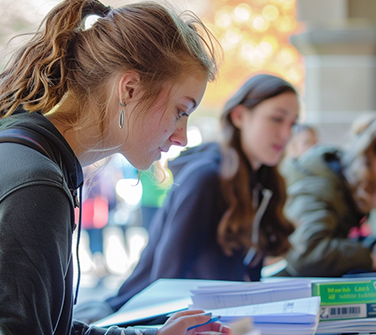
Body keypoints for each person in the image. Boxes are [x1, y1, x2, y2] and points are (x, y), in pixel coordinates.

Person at [0, 0, 231, 335]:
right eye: (181, 109)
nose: (182, 136)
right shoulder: (33, 185)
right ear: (129, 88)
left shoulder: (27, 160)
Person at [104, 74, 299, 313]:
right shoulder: (205, 178)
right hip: (151, 324)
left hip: (226, 324)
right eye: (277, 119)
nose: (286, 134)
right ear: (239, 116)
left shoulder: (263, 184)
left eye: (293, 124)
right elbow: (167, 280)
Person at [276, 111, 376, 278]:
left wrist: (373, 246)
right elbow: (306, 254)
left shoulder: (342, 182)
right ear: (369, 156)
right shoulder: (319, 183)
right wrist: (366, 257)